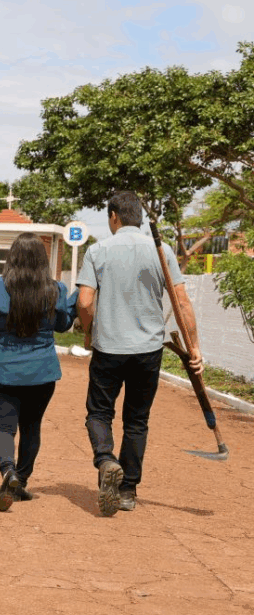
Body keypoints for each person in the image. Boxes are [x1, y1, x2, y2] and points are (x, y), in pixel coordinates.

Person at [77, 191, 204, 516]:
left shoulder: (98, 250)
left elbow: (85, 303)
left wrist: (89, 332)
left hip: (108, 348)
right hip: (148, 350)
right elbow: (181, 302)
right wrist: (195, 348)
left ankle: (106, 461)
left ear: (114, 217)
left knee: (99, 413)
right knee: (137, 420)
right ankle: (129, 490)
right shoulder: (160, 251)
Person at [0, 233, 76, 511]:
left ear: (12, 257)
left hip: (3, 370)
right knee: (32, 427)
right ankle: (21, 480)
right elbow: (63, 325)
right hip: (42, 371)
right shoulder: (56, 290)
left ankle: (8, 471)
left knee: (3, 427)